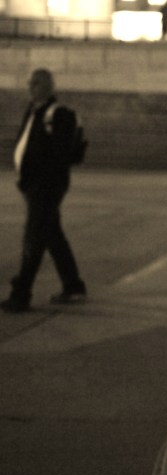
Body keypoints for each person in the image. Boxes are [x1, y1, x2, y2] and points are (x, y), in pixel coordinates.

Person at [1, 68, 87, 313]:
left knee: (34, 237)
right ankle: (73, 286)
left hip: (46, 187)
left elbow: (59, 156)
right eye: (30, 83)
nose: (31, 87)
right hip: (34, 185)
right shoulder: (33, 111)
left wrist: (39, 179)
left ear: (49, 86)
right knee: (51, 234)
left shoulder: (57, 114)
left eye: (36, 83)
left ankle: (21, 293)